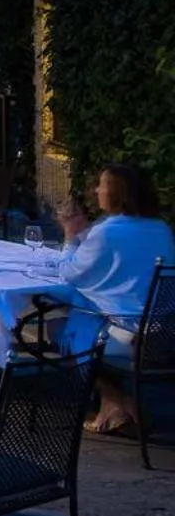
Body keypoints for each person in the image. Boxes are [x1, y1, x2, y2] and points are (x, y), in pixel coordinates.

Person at [56, 164, 175, 433]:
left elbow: (70, 273)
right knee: (88, 314)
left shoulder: (107, 231)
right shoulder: (161, 229)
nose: (97, 190)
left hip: (129, 336)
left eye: (102, 185)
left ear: (117, 193)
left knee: (67, 327)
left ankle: (115, 402)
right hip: (164, 333)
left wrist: (70, 237)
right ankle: (120, 402)